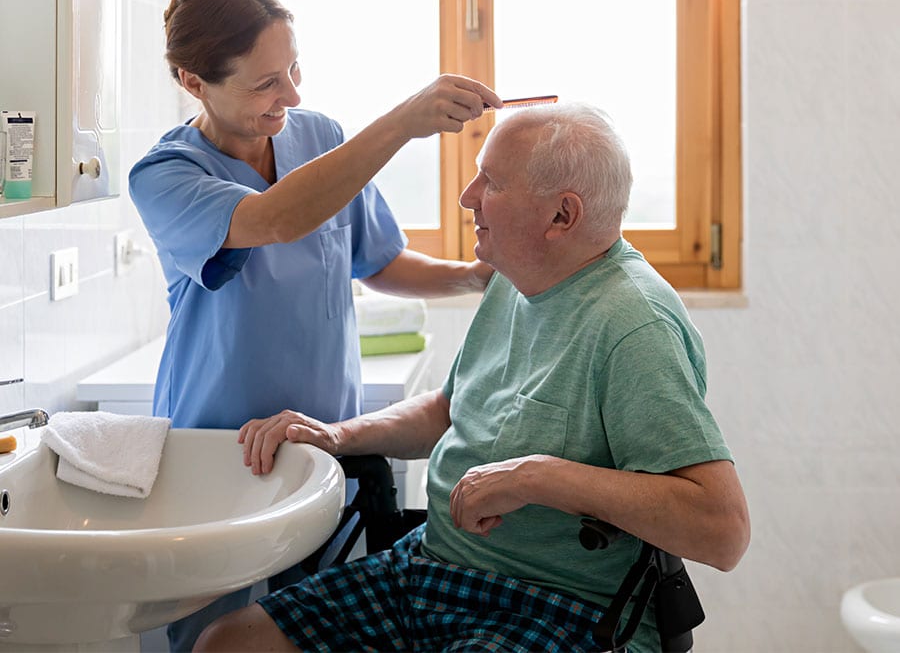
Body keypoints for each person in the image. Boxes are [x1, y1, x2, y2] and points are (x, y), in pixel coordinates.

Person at [194, 102, 751, 653]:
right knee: (225, 643)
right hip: (433, 568)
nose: (467, 197)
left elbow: (723, 532)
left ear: (562, 216)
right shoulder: (517, 275)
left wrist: (537, 477)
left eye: (493, 182)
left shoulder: (632, 324)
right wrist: (339, 434)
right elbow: (447, 411)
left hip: (559, 604)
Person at [128, 0, 501, 651]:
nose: (292, 95)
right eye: (266, 83)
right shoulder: (165, 176)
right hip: (221, 455)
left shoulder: (320, 135)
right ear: (193, 81)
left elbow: (376, 259)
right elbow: (273, 220)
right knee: (216, 637)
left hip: (326, 440)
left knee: (315, 625)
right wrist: (401, 123)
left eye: (294, 69)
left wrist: (475, 278)